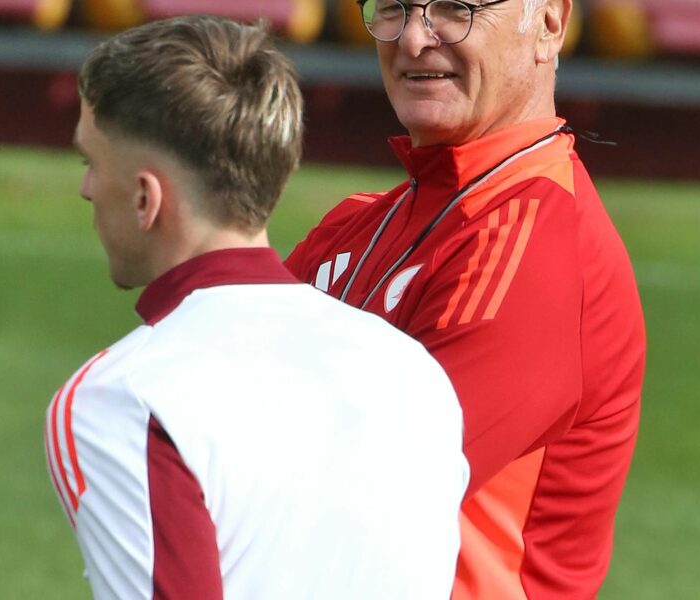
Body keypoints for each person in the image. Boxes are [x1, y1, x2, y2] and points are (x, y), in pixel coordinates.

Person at [45, 15, 468, 600]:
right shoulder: (413, 371)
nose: (87, 188)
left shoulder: (125, 399)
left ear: (146, 198)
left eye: (90, 162)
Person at [284, 1, 647, 598]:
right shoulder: (358, 223)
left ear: (550, 23)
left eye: (455, 8)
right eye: (394, 7)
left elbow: (365, 492)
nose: (414, 40)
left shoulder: (538, 239)